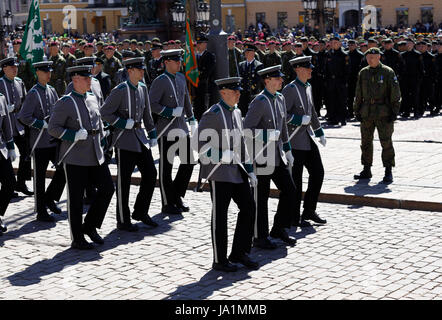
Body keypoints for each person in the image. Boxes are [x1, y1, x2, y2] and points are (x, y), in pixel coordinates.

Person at [48, 65, 115, 250]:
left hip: (95, 153)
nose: (90, 81)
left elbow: (98, 121)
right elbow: (53, 128)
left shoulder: (92, 98)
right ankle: (77, 238)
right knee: (76, 199)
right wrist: (73, 135)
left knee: (108, 189)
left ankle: (90, 225)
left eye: (90, 78)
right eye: (86, 78)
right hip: (75, 156)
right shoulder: (65, 102)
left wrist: (103, 138)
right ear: (75, 79)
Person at [198, 77, 259, 272]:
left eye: (239, 91)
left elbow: (242, 144)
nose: (239, 94)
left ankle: (239, 252)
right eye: (235, 92)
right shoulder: (213, 114)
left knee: (249, 208)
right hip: (219, 172)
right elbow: (198, 146)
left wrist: (250, 170)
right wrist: (219, 155)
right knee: (220, 216)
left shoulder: (237, 112)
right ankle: (219, 259)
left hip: (237, 169)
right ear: (223, 93)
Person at [101, 57, 158, 232]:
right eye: (139, 69)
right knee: (124, 181)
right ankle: (123, 219)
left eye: (142, 69)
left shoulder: (142, 87)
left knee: (150, 173)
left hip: (140, 137)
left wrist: (152, 132)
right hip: (124, 140)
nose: (142, 72)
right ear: (130, 71)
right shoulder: (120, 90)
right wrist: (121, 122)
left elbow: (147, 113)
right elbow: (105, 112)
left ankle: (141, 211)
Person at [244, 65, 297, 249]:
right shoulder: (259, 101)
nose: (281, 81)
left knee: (290, 191)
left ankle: (279, 227)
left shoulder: (280, 98)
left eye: (281, 78)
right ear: (267, 81)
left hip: (276, 156)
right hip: (261, 157)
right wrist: (266, 136)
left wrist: (288, 150)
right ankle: (259, 236)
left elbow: (283, 128)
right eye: (277, 79)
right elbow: (246, 130)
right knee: (261, 197)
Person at [149, 49, 196, 214]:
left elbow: (185, 99)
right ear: (166, 62)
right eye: (176, 61)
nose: (179, 64)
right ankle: (167, 202)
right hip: (166, 129)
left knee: (189, 162)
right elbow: (152, 104)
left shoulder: (182, 77)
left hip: (181, 127)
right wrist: (169, 112)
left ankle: (176, 195)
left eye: (179, 61)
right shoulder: (160, 81)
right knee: (166, 168)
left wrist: (192, 118)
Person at [18, 61, 65, 222]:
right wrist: (41, 123)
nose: (49, 74)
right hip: (39, 142)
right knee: (39, 178)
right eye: (45, 72)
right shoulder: (33, 93)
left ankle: (50, 198)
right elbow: (24, 116)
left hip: (53, 140)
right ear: (38, 73)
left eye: (50, 71)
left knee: (63, 169)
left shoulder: (52, 90)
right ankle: (41, 210)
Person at [282, 56, 327, 227]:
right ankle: (293, 217)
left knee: (318, 173)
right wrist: (298, 119)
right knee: (296, 180)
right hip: (294, 141)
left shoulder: (307, 86)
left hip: (307, 139)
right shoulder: (290, 89)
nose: (311, 70)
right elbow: (281, 116)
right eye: (307, 68)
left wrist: (319, 131)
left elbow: (312, 111)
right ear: (298, 69)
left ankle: (309, 210)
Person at [353, 48, 402, 183]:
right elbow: (358, 93)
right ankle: (366, 169)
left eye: (373, 57)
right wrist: (356, 110)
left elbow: (395, 93)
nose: (370, 60)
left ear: (379, 57)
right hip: (366, 112)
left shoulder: (387, 72)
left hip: (383, 112)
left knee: (386, 142)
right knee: (366, 142)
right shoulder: (363, 72)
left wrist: (394, 111)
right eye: (368, 58)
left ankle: (388, 170)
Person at [0, 57, 33, 196]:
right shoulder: (0, 83)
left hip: (19, 124)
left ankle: (21, 183)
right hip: (4, 126)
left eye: (16, 67)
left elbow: (25, 101)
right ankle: (7, 185)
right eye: (12, 67)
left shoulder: (20, 82)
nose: (15, 69)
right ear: (4, 69)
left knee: (26, 153)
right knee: (5, 157)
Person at [0, 87, 16, 236]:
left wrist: (11, 147)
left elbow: (6, 124)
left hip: (1, 148)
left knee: (10, 182)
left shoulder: (1, 97)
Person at [324, 36, 350, 126]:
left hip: (340, 81)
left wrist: (345, 82)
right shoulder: (328, 54)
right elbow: (326, 69)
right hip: (331, 81)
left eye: (335, 43)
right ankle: (333, 118)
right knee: (332, 100)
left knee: (342, 101)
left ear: (339, 44)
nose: (333, 44)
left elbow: (347, 70)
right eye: (332, 43)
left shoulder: (344, 55)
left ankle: (342, 118)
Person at [400, 39, 424, 118]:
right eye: (407, 44)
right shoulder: (402, 55)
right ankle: (407, 112)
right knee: (405, 96)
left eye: (410, 44)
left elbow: (421, 68)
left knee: (415, 96)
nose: (408, 45)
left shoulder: (418, 54)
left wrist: (419, 79)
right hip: (405, 79)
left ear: (413, 45)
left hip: (415, 78)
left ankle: (416, 112)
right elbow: (400, 67)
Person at [194, 35, 216, 120]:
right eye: (197, 44)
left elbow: (208, 72)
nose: (198, 46)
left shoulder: (210, 56)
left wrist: (198, 77)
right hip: (197, 85)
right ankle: (198, 119)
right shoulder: (196, 56)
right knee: (197, 104)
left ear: (205, 44)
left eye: (200, 43)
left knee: (204, 105)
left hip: (205, 85)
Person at [238, 44, 264, 116]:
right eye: (245, 52)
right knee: (243, 112)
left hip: (253, 92)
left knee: (253, 113)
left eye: (247, 52)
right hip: (243, 93)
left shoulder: (258, 65)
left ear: (253, 53)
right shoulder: (241, 64)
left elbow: (258, 80)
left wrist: (253, 88)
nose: (245, 54)